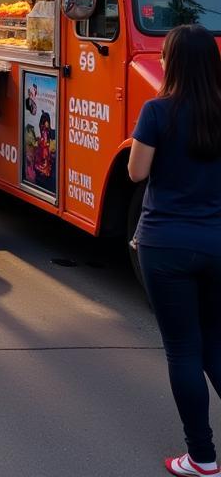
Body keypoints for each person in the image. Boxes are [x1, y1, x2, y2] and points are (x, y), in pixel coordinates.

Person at [128, 24, 221, 477]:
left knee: (183, 349)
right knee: (217, 343)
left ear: (174, 62)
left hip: (165, 243)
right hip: (217, 241)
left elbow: (136, 172)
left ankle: (201, 457)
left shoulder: (157, 110)